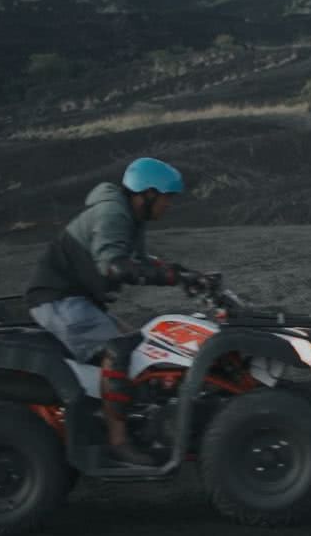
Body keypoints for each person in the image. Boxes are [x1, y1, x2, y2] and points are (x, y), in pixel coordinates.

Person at [24, 158, 200, 467]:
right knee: (118, 351)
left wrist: (184, 274)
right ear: (147, 194)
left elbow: (141, 262)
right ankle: (119, 441)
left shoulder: (132, 217)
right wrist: (171, 276)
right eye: (166, 197)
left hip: (78, 299)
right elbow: (114, 266)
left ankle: (134, 417)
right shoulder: (113, 212)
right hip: (58, 298)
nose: (169, 205)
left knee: (141, 343)